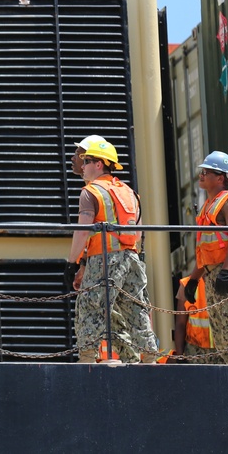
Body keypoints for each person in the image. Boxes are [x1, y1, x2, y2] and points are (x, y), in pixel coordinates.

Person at [66, 139, 156, 363]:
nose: (82, 165)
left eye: (86, 161)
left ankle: (86, 360)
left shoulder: (91, 192)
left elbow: (82, 232)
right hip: (132, 259)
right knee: (136, 311)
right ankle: (150, 359)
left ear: (99, 164)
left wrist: (72, 263)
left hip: (104, 259)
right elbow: (138, 234)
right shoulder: (130, 193)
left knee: (89, 307)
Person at [181, 150, 228, 364]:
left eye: (207, 172)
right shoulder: (207, 208)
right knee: (223, 336)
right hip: (214, 274)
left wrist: (226, 272)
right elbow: (206, 250)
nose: (201, 175)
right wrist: (194, 279)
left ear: (220, 177)